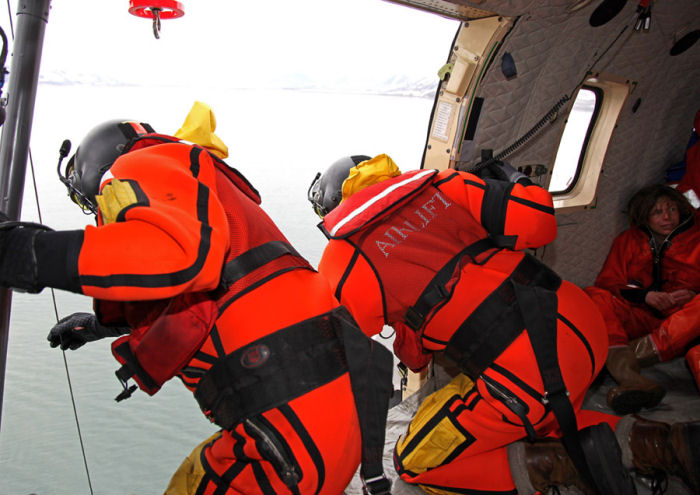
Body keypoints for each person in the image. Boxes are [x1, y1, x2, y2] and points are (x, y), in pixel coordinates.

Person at [0, 102, 393, 495]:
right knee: (191, 476)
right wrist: (98, 325)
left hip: (287, 438)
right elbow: (210, 300)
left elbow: (176, 258)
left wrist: (28, 252)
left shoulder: (139, 165)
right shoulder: (204, 191)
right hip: (341, 423)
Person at [307, 154, 700, 495]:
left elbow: (384, 357)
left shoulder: (343, 259)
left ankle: (565, 463)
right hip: (584, 327)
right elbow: (541, 223)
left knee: (415, 458)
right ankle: (662, 442)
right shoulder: (443, 183)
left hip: (528, 369)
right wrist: (513, 178)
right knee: (547, 414)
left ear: (333, 210)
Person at [585, 184, 700, 415]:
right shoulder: (627, 241)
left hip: (681, 323)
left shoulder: (696, 239)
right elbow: (610, 283)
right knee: (594, 295)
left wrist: (693, 294)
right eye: (657, 212)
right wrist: (645, 296)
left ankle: (620, 363)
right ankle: (631, 377)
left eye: (671, 209)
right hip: (641, 315)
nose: (667, 217)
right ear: (644, 215)